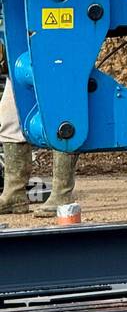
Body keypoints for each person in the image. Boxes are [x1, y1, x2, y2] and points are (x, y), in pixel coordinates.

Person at [0, 75, 78, 218]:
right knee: (10, 118)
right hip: (20, 63)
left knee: (62, 122)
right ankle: (14, 195)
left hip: (57, 63)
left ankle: (62, 194)